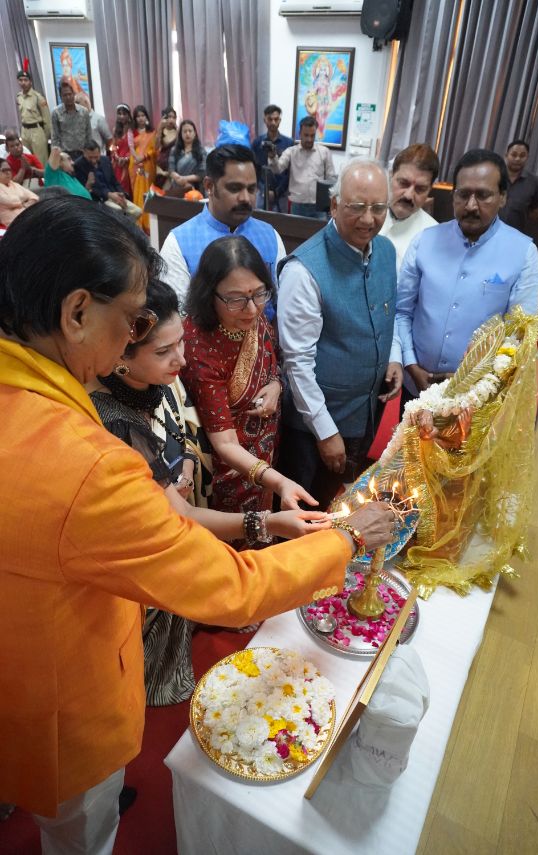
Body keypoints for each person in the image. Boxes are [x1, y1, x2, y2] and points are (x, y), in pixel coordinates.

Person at [0, 197, 393, 850]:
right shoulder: (86, 461)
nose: (134, 341)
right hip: (57, 702)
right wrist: (344, 539)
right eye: (132, 322)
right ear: (76, 313)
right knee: (80, 832)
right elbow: (231, 587)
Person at [90, 278, 332, 705]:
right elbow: (179, 517)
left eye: (180, 343)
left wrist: (184, 465)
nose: (181, 359)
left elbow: (183, 430)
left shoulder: (155, 381)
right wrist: (271, 522)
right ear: (119, 355)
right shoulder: (114, 420)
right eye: (164, 351)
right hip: (148, 552)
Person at [277, 159, 402, 510]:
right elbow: (297, 362)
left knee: (337, 500)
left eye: (379, 208)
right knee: (303, 511)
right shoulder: (304, 270)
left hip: (366, 411)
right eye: (357, 207)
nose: (368, 219)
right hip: (314, 425)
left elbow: (387, 311)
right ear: (334, 205)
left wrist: (393, 357)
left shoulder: (386, 251)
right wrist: (326, 432)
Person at [182, 235, 316, 519]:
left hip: (267, 452)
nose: (253, 308)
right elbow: (225, 443)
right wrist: (278, 481)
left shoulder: (250, 316)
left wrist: (276, 385)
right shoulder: (198, 346)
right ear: (209, 293)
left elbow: (273, 363)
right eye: (236, 299)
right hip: (227, 471)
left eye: (259, 293)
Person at [396, 147, 538, 410]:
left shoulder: (523, 252)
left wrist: (474, 381)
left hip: (476, 399)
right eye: (463, 194)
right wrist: (410, 363)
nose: (471, 205)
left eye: (483, 195)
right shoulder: (425, 241)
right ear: (453, 196)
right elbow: (402, 311)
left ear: (502, 197)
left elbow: (519, 337)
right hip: (416, 385)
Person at [160, 144, 286, 307]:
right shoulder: (179, 242)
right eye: (234, 188)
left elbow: (283, 305)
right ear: (209, 186)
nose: (245, 198)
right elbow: (175, 313)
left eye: (251, 189)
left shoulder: (270, 236)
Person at [380, 143, 439, 270]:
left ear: (430, 190)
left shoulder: (435, 238)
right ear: (391, 176)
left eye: (420, 189)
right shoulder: (364, 213)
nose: (408, 195)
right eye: (403, 183)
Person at [267, 115, 336, 219]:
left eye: (312, 135)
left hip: (319, 207)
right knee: (296, 230)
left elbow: (331, 180)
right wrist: (272, 157)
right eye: (306, 135)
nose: (309, 139)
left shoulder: (325, 152)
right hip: (297, 206)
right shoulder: (291, 152)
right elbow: (277, 169)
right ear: (300, 134)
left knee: (320, 229)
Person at [74, 140, 142, 221]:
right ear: (84, 153)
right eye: (90, 157)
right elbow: (88, 189)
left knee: (138, 211)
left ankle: (127, 226)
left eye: (96, 157)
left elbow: (114, 181)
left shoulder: (105, 160)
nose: (93, 160)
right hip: (98, 199)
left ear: (99, 153)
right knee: (118, 210)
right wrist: (109, 194)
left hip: (114, 195)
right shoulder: (78, 165)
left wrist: (121, 194)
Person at [251, 104, 294, 213]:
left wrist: (277, 192)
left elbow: (290, 173)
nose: (273, 123)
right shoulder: (257, 143)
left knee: (281, 222)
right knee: (260, 219)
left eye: (276, 119)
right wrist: (263, 189)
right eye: (270, 119)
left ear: (280, 120)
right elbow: (254, 169)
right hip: (261, 193)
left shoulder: (289, 143)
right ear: (264, 120)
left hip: (282, 194)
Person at [499, 139, 538, 233]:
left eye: (522, 155)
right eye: (514, 155)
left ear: (527, 157)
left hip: (515, 233)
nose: (517, 159)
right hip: (487, 231)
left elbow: (536, 212)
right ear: (506, 156)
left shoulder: (535, 182)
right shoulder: (494, 176)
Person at [129, 105, 156, 233]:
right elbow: (131, 149)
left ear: (146, 117)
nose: (140, 118)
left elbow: (154, 149)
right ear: (135, 118)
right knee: (138, 192)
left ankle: (149, 223)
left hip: (148, 165)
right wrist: (137, 159)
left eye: (142, 115)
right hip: (136, 166)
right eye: (138, 116)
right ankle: (140, 223)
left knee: (148, 190)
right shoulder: (132, 132)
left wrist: (144, 157)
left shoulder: (152, 133)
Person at [16, 69, 51, 165]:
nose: (23, 83)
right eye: (20, 80)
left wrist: (45, 137)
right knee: (27, 160)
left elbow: (47, 119)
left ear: (30, 82)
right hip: (24, 131)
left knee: (41, 161)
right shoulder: (19, 97)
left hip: (37, 131)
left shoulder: (38, 97)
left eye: (25, 80)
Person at [51, 80, 91, 160]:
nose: (68, 97)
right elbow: (55, 137)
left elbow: (88, 134)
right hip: (65, 155)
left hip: (82, 153)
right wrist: (58, 156)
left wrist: (89, 152)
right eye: (65, 95)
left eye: (70, 94)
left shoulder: (84, 112)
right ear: (61, 97)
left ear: (74, 94)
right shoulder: (56, 113)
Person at [168, 119, 207, 195]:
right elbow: (171, 169)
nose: (187, 134)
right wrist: (178, 178)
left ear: (195, 133)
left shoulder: (201, 151)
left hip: (196, 190)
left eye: (190, 131)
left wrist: (184, 179)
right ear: (181, 134)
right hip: (177, 188)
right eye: (185, 131)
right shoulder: (174, 150)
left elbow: (202, 173)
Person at [0, 158, 38, 226]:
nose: (8, 172)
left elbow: (35, 197)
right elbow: (11, 202)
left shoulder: (14, 184)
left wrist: (25, 205)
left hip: (27, 217)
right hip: (12, 224)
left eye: (9, 169)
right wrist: (24, 200)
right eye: (4, 170)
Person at [110, 103, 135, 196]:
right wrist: (116, 156)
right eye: (119, 114)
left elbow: (135, 146)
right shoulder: (115, 129)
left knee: (128, 186)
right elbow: (113, 146)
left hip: (130, 162)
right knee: (119, 185)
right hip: (118, 163)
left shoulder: (133, 129)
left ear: (129, 115)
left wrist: (126, 158)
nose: (122, 116)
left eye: (124, 114)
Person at [155, 105, 178, 188]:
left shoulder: (178, 132)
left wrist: (177, 128)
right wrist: (160, 127)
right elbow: (156, 146)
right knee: (159, 191)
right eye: (169, 117)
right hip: (161, 166)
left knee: (170, 191)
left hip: (173, 165)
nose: (171, 119)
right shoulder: (160, 131)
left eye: (173, 117)